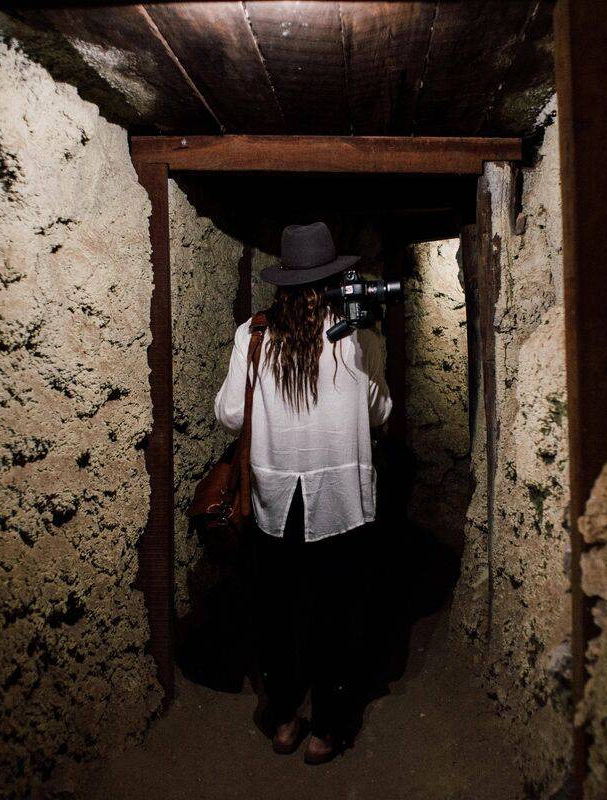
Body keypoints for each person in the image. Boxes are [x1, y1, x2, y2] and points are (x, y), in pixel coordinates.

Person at [214, 222, 393, 765]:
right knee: (337, 613)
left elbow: (230, 415)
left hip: (276, 501)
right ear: (335, 278)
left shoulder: (254, 335)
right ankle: (327, 730)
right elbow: (380, 413)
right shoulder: (359, 337)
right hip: (341, 500)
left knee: (278, 614)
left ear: (285, 282)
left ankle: (286, 720)